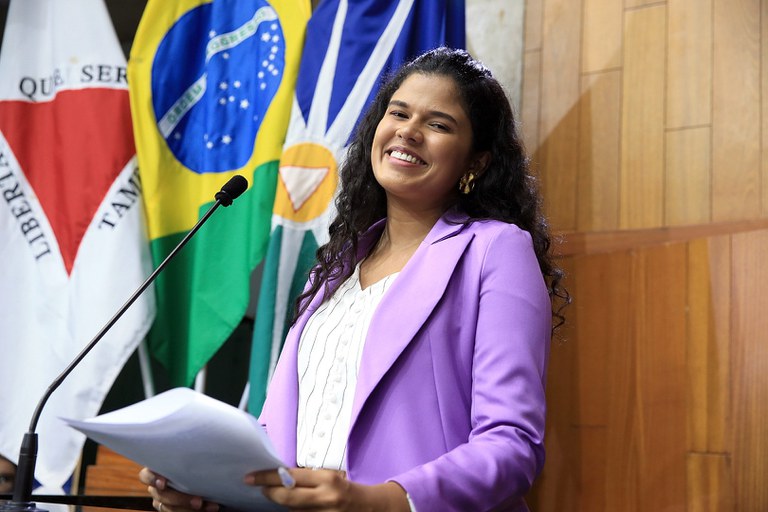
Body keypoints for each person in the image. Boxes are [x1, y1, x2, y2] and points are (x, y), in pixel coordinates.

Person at [140, 47, 568, 511]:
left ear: (476, 163)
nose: (408, 131)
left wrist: (382, 500)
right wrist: (212, 488)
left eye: (438, 124)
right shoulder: (335, 268)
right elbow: (280, 435)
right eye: (398, 113)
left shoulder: (494, 249)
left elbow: (512, 444)